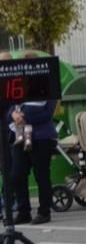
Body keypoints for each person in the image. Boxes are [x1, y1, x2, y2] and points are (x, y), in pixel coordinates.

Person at [5, 52, 57, 226]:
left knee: (41, 175)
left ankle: (44, 211)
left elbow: (47, 113)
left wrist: (24, 117)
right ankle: (24, 211)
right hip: (19, 137)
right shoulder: (18, 85)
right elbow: (7, 107)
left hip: (41, 137)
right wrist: (13, 114)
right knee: (17, 174)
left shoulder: (48, 85)